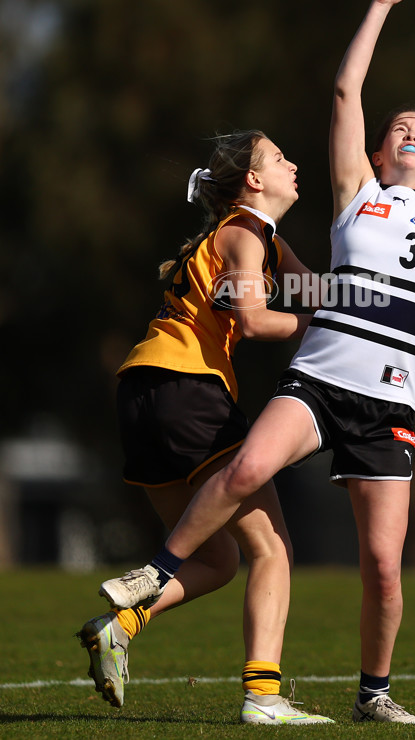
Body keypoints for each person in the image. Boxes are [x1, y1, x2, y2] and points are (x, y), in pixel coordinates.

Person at [98, 0, 415, 724]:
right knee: (248, 466)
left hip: (390, 400)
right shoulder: (357, 191)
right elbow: (347, 85)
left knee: (384, 569)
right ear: (379, 152)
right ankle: (153, 575)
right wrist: (382, 5)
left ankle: (373, 696)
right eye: (402, 127)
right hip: (321, 377)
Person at [77, 129, 334, 725]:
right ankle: (263, 699)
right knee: (274, 549)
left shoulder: (257, 238)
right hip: (188, 388)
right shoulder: (247, 234)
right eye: (279, 158)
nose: (293, 165)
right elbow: (252, 319)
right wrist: (311, 328)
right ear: (253, 180)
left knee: (217, 559)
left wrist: (396, 297)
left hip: (141, 391)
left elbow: (321, 291)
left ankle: (118, 626)